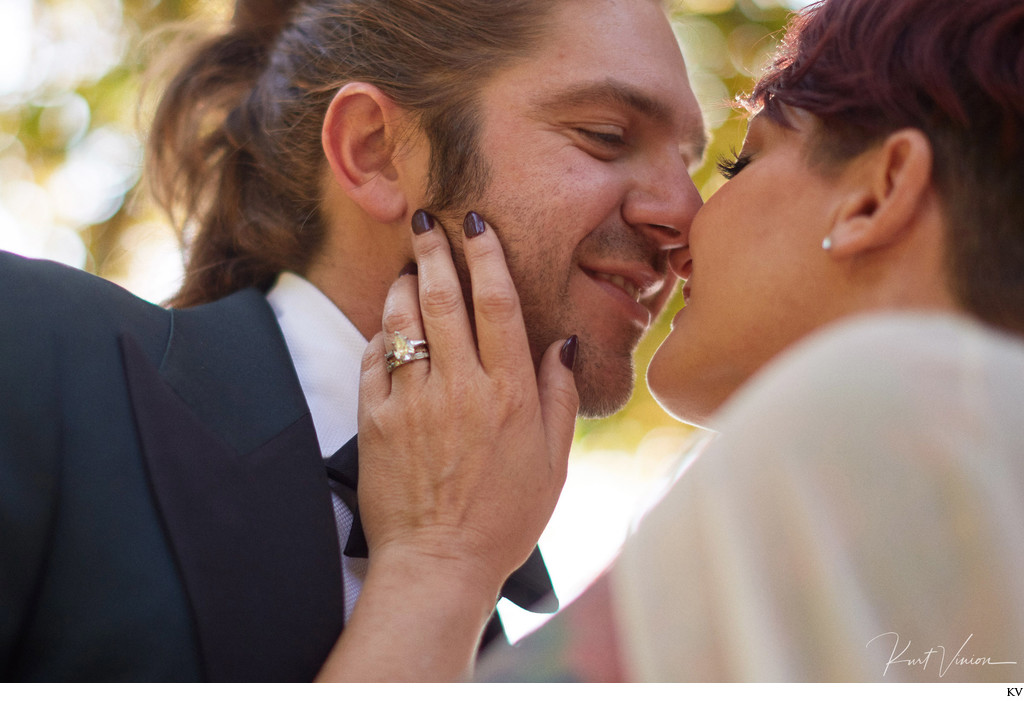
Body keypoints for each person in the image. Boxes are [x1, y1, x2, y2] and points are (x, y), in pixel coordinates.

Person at [0, 0, 706, 681]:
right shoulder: (32, 346)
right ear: (374, 151)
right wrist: (437, 564)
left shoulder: (510, 660)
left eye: (693, 164)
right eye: (606, 135)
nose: (686, 216)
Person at [348, 0, 1024, 682]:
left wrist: (438, 558)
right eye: (606, 135)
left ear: (875, 197)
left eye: (742, 162)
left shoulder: (871, 401)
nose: (684, 222)